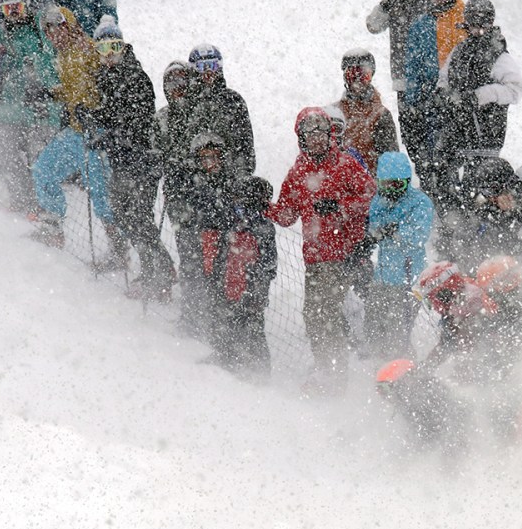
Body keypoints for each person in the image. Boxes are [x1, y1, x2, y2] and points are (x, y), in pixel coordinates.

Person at [269, 106, 377, 394]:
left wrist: (340, 208)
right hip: (315, 258)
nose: (315, 138)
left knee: (323, 314)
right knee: (316, 315)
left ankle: (332, 376)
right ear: (301, 138)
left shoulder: (344, 165)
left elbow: (371, 197)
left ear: (330, 134)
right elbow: (286, 215)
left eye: (320, 131)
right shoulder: (298, 171)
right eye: (308, 133)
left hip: (343, 254)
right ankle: (327, 370)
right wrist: (262, 204)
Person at [93, 16, 172, 296]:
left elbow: (137, 123)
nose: (110, 54)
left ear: (123, 45)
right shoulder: (105, 76)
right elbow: (112, 114)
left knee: (138, 216)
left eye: (114, 46)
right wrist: (92, 118)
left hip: (141, 161)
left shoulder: (135, 77)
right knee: (124, 215)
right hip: (121, 160)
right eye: (103, 49)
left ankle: (158, 276)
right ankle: (159, 270)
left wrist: (111, 135)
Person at [30, 5, 112, 249]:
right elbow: (72, 90)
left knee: (101, 194)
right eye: (48, 32)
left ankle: (118, 247)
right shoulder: (64, 55)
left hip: (95, 134)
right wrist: (48, 94)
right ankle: (52, 227)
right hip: (76, 131)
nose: (53, 36)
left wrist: (98, 115)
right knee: (43, 170)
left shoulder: (88, 50)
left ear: (69, 27)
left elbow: (106, 86)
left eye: (57, 30)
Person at [0, 0, 58, 212]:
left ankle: (43, 205)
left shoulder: (39, 27)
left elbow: (51, 60)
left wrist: (35, 72)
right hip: (12, 104)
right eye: (8, 9)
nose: (14, 13)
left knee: (39, 157)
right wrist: (2, 59)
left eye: (16, 7)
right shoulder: (0, 32)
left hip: (41, 104)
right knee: (6, 153)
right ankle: (21, 199)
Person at [437, 0, 522, 179]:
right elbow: (444, 76)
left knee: (479, 182)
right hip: (458, 128)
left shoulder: (498, 55)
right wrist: (445, 93)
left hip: (486, 131)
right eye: (472, 23)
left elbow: (515, 90)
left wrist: (481, 96)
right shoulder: (460, 50)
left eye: (482, 23)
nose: (477, 29)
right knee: (442, 170)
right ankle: (447, 201)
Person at [198, 173, 277, 373]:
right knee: (225, 319)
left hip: (250, 286)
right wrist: (216, 276)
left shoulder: (262, 229)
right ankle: (226, 355)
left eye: (241, 200)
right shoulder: (230, 224)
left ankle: (258, 366)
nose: (237, 205)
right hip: (229, 281)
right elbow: (221, 255)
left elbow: (268, 265)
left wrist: (256, 286)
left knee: (251, 325)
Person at [364, 150, 435, 357]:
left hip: (408, 278)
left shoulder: (420, 203)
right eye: (386, 185)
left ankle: (403, 375)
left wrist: (395, 231)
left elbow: (419, 236)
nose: (392, 190)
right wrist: (379, 232)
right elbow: (374, 228)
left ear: (407, 181)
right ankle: (381, 369)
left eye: (398, 185)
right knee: (373, 328)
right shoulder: (378, 201)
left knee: (398, 333)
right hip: (383, 276)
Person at [402, 0, 465, 195]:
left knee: (451, 154)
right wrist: (413, 100)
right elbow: (413, 65)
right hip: (429, 99)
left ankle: (452, 197)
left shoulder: (464, 16)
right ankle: (432, 195)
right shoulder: (421, 25)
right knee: (429, 154)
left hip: (456, 97)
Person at [157, 60, 208, 325]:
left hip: (205, 197)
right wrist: (166, 166)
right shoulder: (163, 117)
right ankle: (191, 315)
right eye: (171, 83)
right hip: (179, 199)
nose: (177, 88)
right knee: (188, 256)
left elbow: (210, 151)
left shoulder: (201, 113)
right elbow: (154, 152)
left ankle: (210, 314)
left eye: (182, 81)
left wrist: (187, 166)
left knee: (208, 258)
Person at [439, 155, 522, 269]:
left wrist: (519, 209)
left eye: (502, 189)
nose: (498, 197)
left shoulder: (518, 210)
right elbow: (449, 245)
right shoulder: (470, 210)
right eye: (489, 190)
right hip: (471, 273)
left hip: (507, 273)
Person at [367, 0, 425, 147]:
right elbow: (373, 25)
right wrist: (385, 4)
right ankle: (420, 164)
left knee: (431, 126)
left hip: (429, 74)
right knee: (409, 130)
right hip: (403, 75)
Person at [183, 43, 255, 179]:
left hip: (229, 177)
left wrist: (240, 177)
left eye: (212, 65)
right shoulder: (187, 103)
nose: (208, 72)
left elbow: (246, 145)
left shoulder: (234, 101)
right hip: (193, 182)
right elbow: (181, 145)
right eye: (202, 67)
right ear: (194, 70)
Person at [337, 47, 401, 167]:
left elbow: (392, 163)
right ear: (345, 77)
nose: (357, 81)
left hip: (371, 183)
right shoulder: (335, 114)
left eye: (363, 75)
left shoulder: (381, 115)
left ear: (371, 76)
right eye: (351, 74)